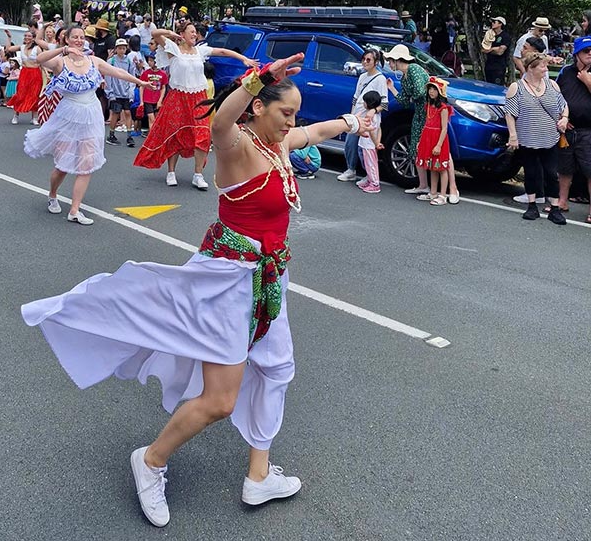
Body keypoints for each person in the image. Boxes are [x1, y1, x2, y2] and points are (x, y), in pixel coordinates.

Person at [20, 53, 371, 528]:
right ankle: (150, 460)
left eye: (295, 114)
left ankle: (259, 476)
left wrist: (353, 121)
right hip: (227, 285)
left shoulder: (278, 144)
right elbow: (223, 116)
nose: (293, 122)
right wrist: (259, 77)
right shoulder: (237, 146)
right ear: (259, 109)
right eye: (285, 112)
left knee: (275, 370)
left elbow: (316, 133)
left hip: (270, 281)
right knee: (220, 401)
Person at [23, 26, 149, 225]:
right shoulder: (60, 61)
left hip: (91, 113)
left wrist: (140, 82)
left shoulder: (93, 61)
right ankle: (53, 194)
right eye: (75, 37)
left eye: (82, 38)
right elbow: (39, 59)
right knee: (63, 165)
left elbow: (116, 71)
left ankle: (74, 209)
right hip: (68, 114)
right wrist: (63, 50)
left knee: (86, 163)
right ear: (67, 39)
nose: (79, 41)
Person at [133, 22, 257, 190]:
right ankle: (171, 172)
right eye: (191, 32)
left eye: (195, 32)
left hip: (198, 97)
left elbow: (222, 51)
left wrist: (243, 59)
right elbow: (155, 33)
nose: (194, 34)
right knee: (175, 134)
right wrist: (171, 33)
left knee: (203, 134)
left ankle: (198, 175)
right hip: (177, 98)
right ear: (182, 34)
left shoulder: (200, 51)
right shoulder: (173, 49)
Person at [505, 52, 569, 224]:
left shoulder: (552, 86)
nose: (546, 69)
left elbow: (564, 106)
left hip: (550, 138)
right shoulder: (516, 88)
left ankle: (554, 208)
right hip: (527, 138)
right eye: (543, 66)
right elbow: (510, 114)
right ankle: (532, 205)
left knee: (551, 173)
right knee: (531, 172)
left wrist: (564, 119)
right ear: (531, 68)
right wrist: (513, 135)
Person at [384, 44, 430, 193]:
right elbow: (404, 101)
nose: (390, 63)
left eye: (391, 60)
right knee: (415, 147)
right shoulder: (404, 77)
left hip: (427, 113)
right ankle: (423, 185)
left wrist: (410, 98)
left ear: (398, 60)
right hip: (419, 113)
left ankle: (432, 187)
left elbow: (419, 92)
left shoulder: (414, 70)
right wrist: (392, 88)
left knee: (426, 147)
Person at [555, 37, 591, 223]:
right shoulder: (566, 72)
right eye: (586, 50)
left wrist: (587, 81)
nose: (590, 53)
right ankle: (562, 201)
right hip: (567, 128)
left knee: (590, 170)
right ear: (576, 53)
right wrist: (562, 117)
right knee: (564, 168)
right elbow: (555, 95)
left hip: (588, 130)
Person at [337, 49, 387, 182]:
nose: (365, 62)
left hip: (368, 120)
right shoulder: (362, 76)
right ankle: (351, 169)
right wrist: (352, 114)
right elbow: (356, 97)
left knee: (365, 149)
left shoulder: (380, 79)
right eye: (363, 59)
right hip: (358, 116)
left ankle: (369, 175)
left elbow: (385, 103)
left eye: (368, 60)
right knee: (350, 143)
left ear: (375, 62)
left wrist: (374, 110)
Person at [415, 78, 452, 205]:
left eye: (434, 89)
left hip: (438, 139)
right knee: (432, 166)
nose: (431, 92)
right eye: (430, 89)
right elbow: (426, 123)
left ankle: (442, 195)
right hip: (428, 137)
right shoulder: (429, 106)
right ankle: (433, 193)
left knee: (441, 167)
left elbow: (444, 128)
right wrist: (421, 140)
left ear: (440, 91)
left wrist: (439, 145)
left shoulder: (443, 108)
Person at [104, 38, 138, 146]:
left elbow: (132, 75)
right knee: (116, 113)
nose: (121, 50)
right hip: (115, 92)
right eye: (119, 48)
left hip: (126, 92)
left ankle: (129, 136)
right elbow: (108, 77)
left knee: (127, 112)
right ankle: (111, 134)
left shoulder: (128, 61)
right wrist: (110, 93)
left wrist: (131, 91)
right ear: (116, 49)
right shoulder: (111, 61)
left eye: (123, 48)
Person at [355, 90, 384, 193]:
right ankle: (370, 180)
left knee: (371, 163)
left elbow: (371, 131)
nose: (363, 104)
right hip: (370, 143)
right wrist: (378, 142)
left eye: (365, 102)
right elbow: (379, 128)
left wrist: (376, 142)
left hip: (368, 143)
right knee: (369, 163)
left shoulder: (369, 116)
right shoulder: (377, 115)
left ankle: (375, 184)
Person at [137, 53, 168, 136]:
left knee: (156, 120)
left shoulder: (163, 74)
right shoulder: (145, 73)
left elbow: (163, 87)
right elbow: (141, 87)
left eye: (151, 60)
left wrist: (160, 100)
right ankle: (152, 136)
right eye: (149, 60)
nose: (149, 62)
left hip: (157, 99)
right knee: (151, 119)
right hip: (148, 99)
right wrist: (141, 101)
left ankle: (154, 137)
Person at [481, 16, 511, 85]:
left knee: (497, 86)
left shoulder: (505, 36)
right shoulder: (489, 35)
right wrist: (494, 49)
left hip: (499, 67)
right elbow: (483, 49)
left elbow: (500, 52)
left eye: (494, 22)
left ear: (500, 24)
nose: (492, 23)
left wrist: (491, 49)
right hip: (488, 66)